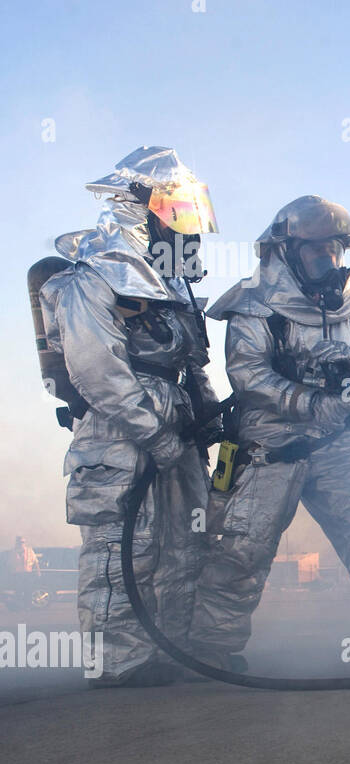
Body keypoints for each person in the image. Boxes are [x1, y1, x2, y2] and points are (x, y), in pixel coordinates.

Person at [191, 195, 350, 677]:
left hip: (336, 445)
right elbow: (249, 376)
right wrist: (308, 401)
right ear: (285, 252)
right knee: (242, 549)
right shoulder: (254, 307)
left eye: (334, 251)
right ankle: (209, 652)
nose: (327, 261)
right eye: (316, 251)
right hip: (266, 449)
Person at [40, 146, 221, 686]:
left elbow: (194, 365)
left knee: (187, 541)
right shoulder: (92, 277)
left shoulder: (175, 286)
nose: (189, 230)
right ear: (139, 206)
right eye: (180, 214)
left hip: (177, 427)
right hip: (119, 434)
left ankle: (171, 653)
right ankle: (119, 665)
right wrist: (157, 436)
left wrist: (209, 419)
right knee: (124, 546)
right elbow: (99, 372)